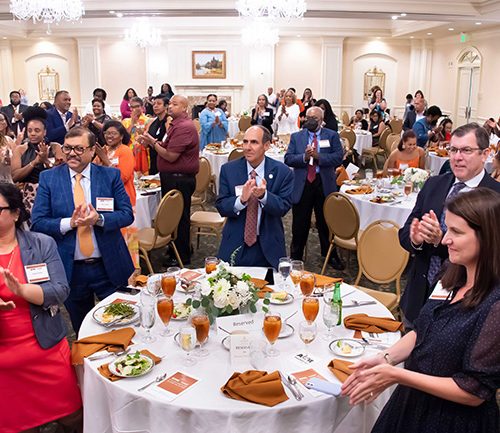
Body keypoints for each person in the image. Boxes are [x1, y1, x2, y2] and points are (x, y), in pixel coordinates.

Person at [342, 188, 500, 433]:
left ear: (488, 237)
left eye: (457, 232)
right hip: (412, 402)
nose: (445, 239)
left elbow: (474, 391)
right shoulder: (452, 271)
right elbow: (423, 329)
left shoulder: (495, 305)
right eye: (448, 229)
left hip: (451, 421)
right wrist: (386, 358)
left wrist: (397, 376)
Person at [31, 127, 134, 334]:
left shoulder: (110, 176)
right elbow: (38, 222)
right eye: (67, 148)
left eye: (79, 148)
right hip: (70, 269)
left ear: (92, 151)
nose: (72, 153)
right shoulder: (49, 179)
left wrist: (100, 219)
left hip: (109, 265)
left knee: (122, 326)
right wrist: (70, 223)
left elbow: (126, 214)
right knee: (84, 331)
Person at [398, 123, 500, 328]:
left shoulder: (494, 196)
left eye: (466, 150)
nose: (457, 157)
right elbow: (404, 233)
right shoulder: (434, 184)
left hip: (465, 306)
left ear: (485, 154)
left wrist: (440, 241)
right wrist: (416, 239)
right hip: (419, 294)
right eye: (453, 150)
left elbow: (492, 253)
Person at [0, 182, 83, 433]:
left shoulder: (40, 244)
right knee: (16, 425)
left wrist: (22, 290)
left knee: (74, 417)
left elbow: (60, 291)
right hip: (3, 358)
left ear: (15, 213)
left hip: (44, 347)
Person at [216, 125, 293, 269]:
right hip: (235, 243)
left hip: (268, 247)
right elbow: (221, 205)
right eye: (245, 142)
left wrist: (264, 196)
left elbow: (283, 207)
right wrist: (241, 200)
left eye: (254, 142)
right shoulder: (229, 170)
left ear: (267, 145)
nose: (247, 147)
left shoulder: (282, 172)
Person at [285, 106, 344, 269]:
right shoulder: (297, 137)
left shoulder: (331, 136)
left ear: (322, 120)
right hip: (303, 183)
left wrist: (319, 157)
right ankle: (295, 256)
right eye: (308, 118)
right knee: (299, 223)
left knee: (325, 222)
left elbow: (338, 157)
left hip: (323, 182)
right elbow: (288, 159)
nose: (310, 121)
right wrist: (304, 157)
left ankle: (330, 254)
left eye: (314, 119)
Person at [147, 95, 199, 266]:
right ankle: (176, 249)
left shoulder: (184, 127)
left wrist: (152, 142)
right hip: (173, 177)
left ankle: (181, 256)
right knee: (174, 217)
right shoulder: (175, 125)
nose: (170, 107)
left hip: (179, 179)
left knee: (179, 218)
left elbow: (170, 156)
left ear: (185, 108)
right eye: (170, 103)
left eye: (175, 104)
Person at [11, 107, 64, 215]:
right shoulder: (20, 149)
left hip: (53, 193)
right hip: (28, 195)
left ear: (44, 132)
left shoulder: (55, 147)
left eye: (37, 130)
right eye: (30, 130)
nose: (33, 134)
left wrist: (45, 161)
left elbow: (62, 174)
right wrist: (35, 162)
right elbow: (15, 176)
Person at [95, 121, 136, 207]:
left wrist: (105, 160)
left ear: (121, 136)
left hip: (122, 197)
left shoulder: (125, 151)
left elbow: (122, 178)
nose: (109, 136)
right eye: (107, 133)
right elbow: (93, 172)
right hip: (105, 198)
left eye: (113, 133)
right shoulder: (104, 150)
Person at [122, 96, 151, 174]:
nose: (134, 109)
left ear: (142, 107)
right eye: (132, 107)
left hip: (143, 153)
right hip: (128, 153)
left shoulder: (148, 120)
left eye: (137, 106)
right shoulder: (125, 121)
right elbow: (124, 139)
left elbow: (148, 138)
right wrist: (132, 123)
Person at [141, 96, 169, 175]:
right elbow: (147, 144)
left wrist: (151, 140)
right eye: (154, 104)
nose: (155, 106)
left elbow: (167, 143)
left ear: (166, 106)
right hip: (153, 158)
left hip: (164, 158)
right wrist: (144, 140)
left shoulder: (169, 121)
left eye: (159, 104)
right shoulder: (152, 122)